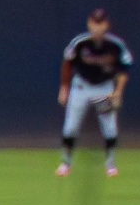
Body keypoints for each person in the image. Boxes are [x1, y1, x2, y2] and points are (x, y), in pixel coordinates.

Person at [57, 9, 132, 178]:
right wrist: (64, 88)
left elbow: (123, 70)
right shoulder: (80, 43)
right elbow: (67, 63)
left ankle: (110, 164)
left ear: (106, 25)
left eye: (100, 23)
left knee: (110, 128)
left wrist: (118, 92)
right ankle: (65, 163)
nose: (97, 27)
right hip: (81, 87)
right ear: (89, 24)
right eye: (94, 23)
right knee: (71, 127)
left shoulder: (115, 45)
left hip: (104, 88)